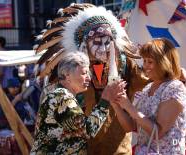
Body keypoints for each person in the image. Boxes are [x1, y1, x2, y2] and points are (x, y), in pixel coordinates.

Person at [34, 4, 149, 154]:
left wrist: (171, 74)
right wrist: (106, 99)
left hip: (118, 146)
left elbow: (147, 81)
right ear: (84, 44)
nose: (103, 48)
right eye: (96, 42)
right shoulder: (61, 89)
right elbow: (85, 130)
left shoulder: (123, 62)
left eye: (107, 42)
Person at [30, 52, 125, 154]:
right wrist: (105, 99)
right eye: (84, 73)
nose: (89, 77)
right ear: (67, 75)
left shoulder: (60, 95)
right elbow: (88, 130)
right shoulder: (62, 97)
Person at [111, 38, 186, 155]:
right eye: (144, 61)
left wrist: (129, 107)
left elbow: (158, 133)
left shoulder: (175, 88)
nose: (145, 66)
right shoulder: (148, 88)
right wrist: (116, 103)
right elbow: (130, 127)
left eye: (150, 62)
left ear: (164, 62)